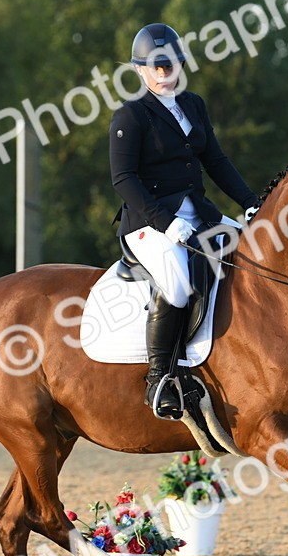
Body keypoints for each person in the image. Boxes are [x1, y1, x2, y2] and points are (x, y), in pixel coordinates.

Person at [109, 23, 261, 419]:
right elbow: (123, 179)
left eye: (171, 63)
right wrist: (164, 222)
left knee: (252, 257)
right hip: (147, 222)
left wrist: (249, 203)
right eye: (156, 66)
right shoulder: (131, 115)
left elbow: (216, 161)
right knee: (177, 284)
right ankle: (160, 378)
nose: (164, 71)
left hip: (197, 212)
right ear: (141, 70)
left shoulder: (193, 105)